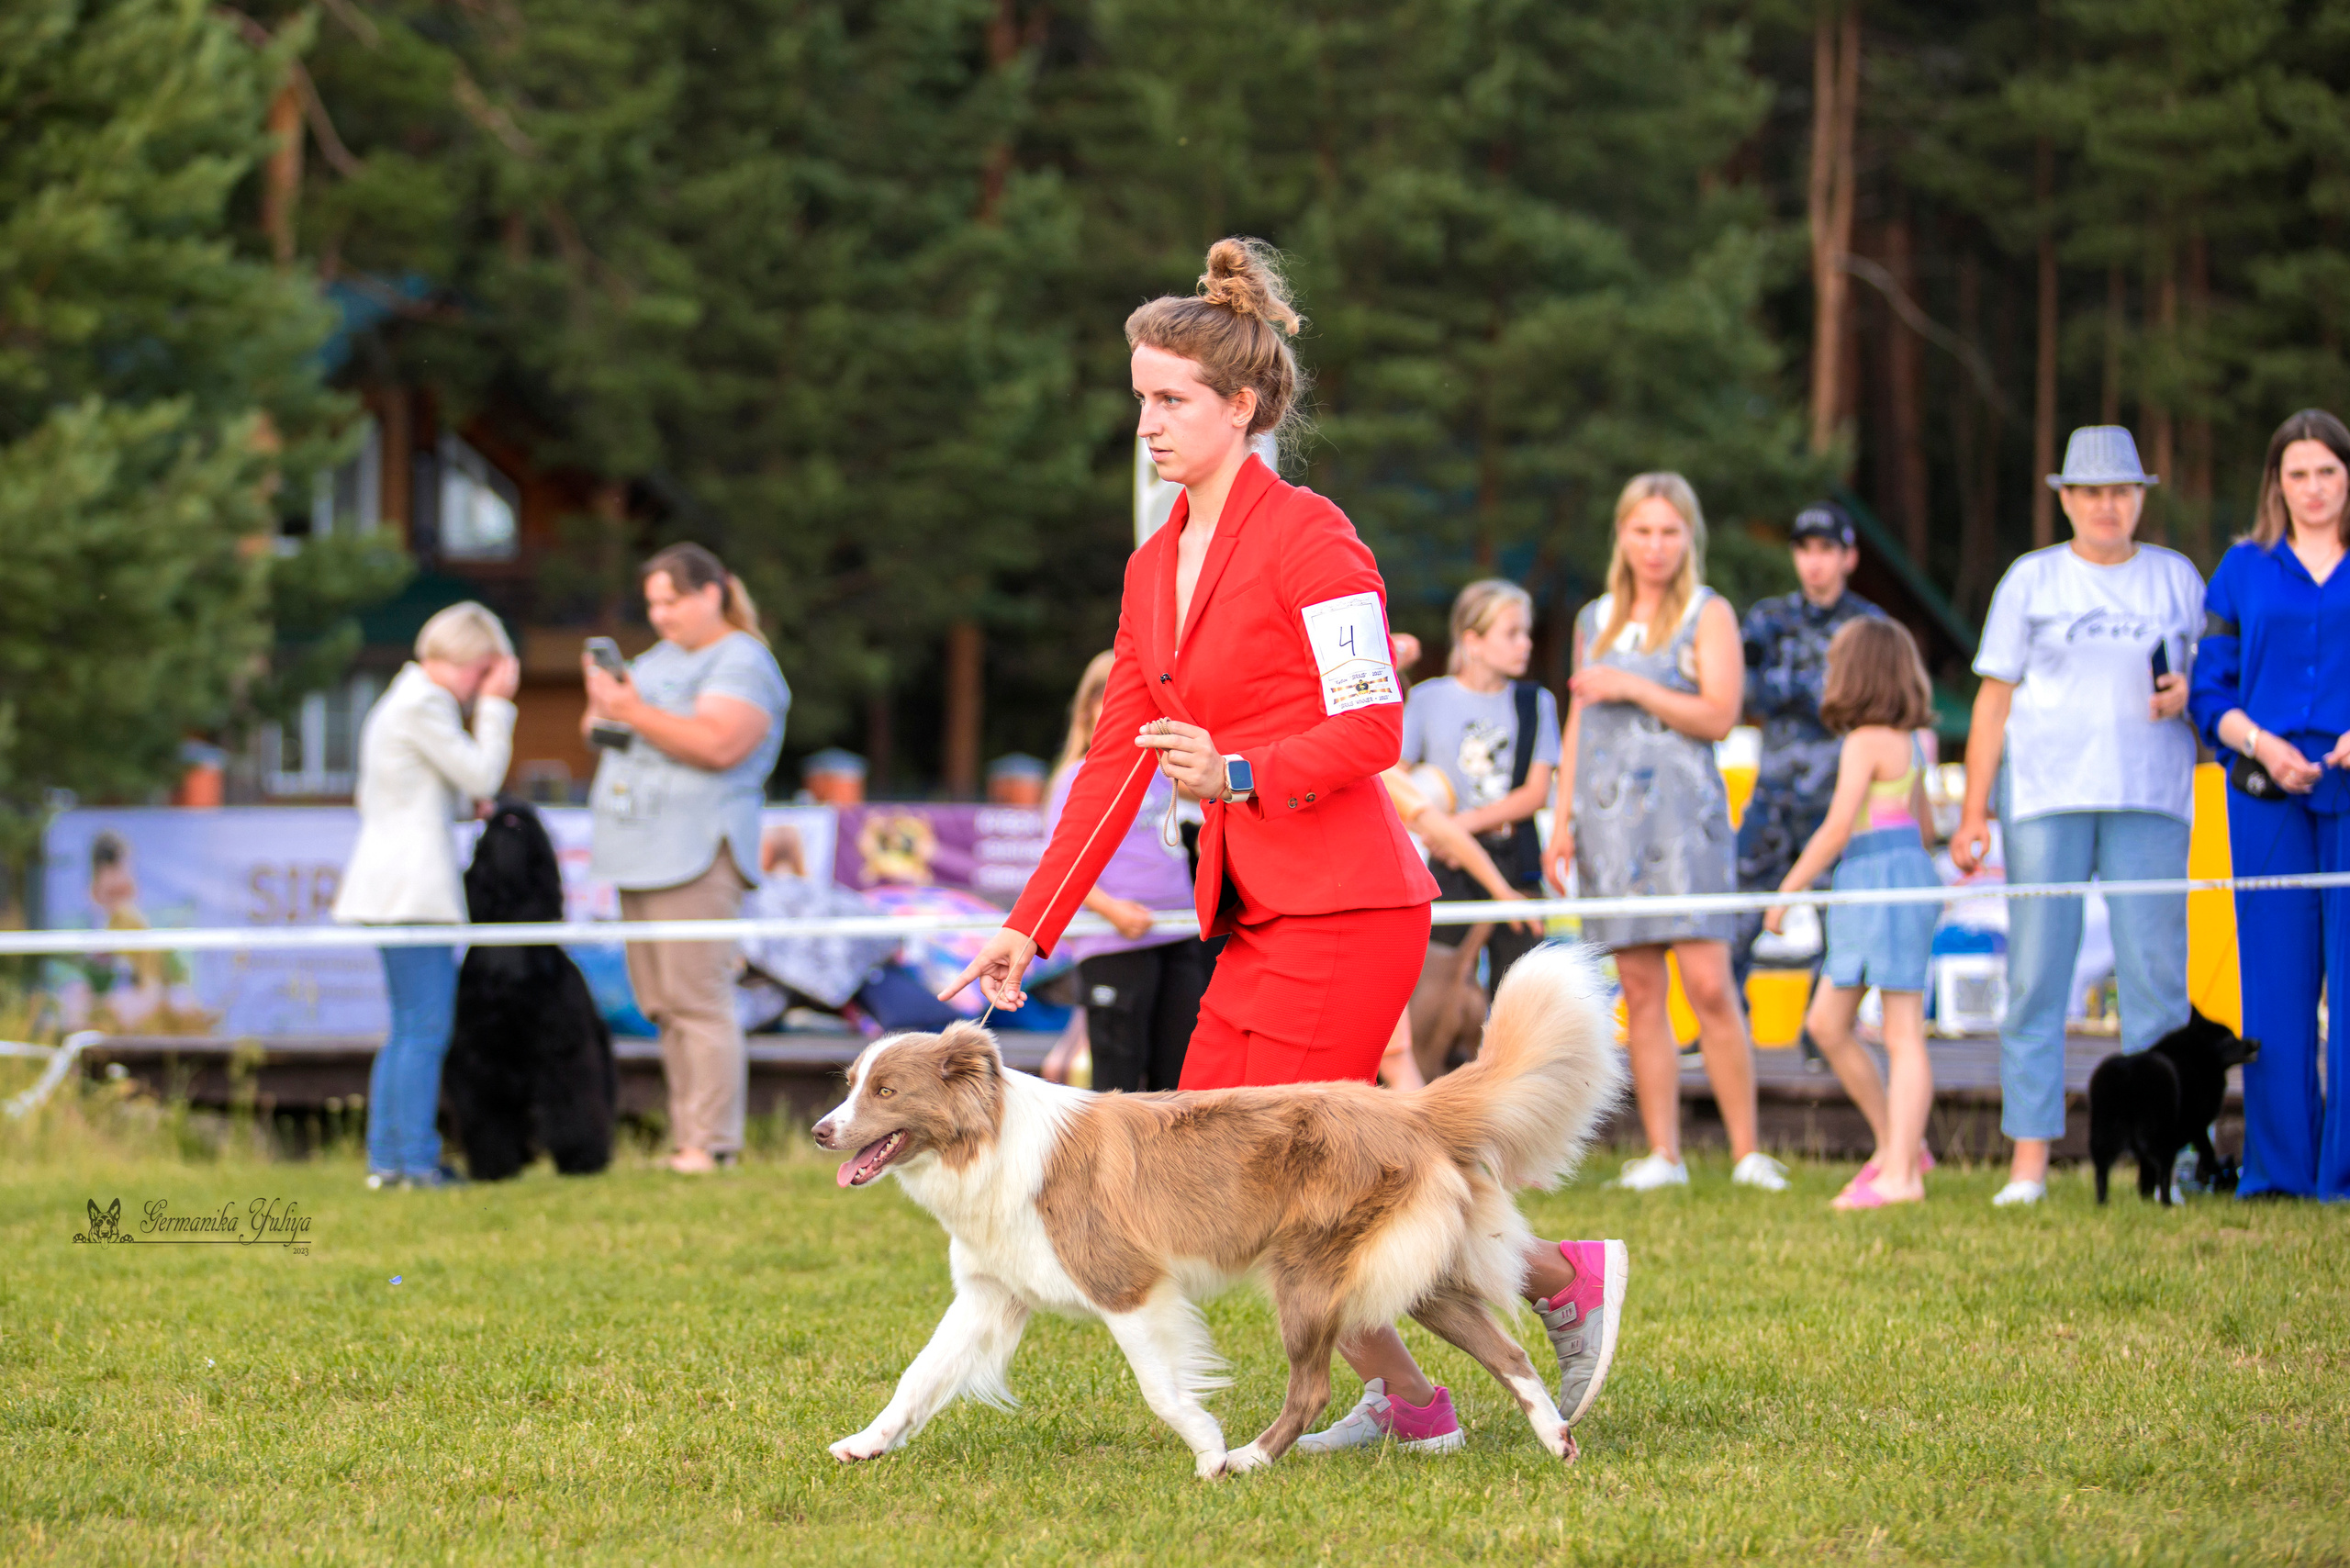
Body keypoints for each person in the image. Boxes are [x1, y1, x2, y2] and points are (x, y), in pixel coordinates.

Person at [943, 237, 1623, 1462]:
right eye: (1138, 397)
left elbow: (1372, 726)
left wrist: (1242, 770)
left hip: (1353, 906)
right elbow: (1113, 766)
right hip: (1253, 917)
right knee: (1224, 1185)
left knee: (1284, 1190)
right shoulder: (1151, 573)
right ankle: (1431, 1389)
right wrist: (1028, 928)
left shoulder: (1314, 536)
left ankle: (1543, 1297)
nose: (1145, 422)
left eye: (1170, 401)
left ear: (1240, 407)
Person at [1953, 426, 2204, 1208]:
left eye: (2123, 491)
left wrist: (2187, 694)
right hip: (2046, 797)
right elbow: (1992, 700)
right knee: (2036, 978)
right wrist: (1972, 809)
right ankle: (2029, 1159)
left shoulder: (2177, 578)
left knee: (2157, 984)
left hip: (2151, 795)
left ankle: (2164, 1165)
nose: (2108, 505)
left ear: (2140, 498)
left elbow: (2212, 678)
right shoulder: (2031, 579)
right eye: (2092, 491)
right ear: (2065, 498)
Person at [1546, 473, 1785, 1193]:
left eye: (1669, 532)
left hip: (1687, 822)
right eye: (1642, 530)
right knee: (1640, 989)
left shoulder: (1708, 614)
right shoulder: (1596, 619)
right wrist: (1562, 821)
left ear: (1689, 539)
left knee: (1710, 984)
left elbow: (1720, 715)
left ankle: (1747, 1152)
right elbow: (1580, 719)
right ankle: (1664, 1155)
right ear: (1622, 535)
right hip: (1609, 823)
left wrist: (1637, 686)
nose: (1655, 546)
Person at [584, 543, 789, 1174]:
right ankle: (688, 1140)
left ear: (713, 592)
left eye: (672, 600)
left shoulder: (742, 660)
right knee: (662, 1004)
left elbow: (719, 743)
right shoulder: (657, 660)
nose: (661, 615)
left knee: (699, 1000)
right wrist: (606, 707)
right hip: (639, 849)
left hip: (697, 851)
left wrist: (631, 710)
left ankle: (714, 1143)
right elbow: (603, 728)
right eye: (652, 604)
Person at [2188, 409, 2350, 1201]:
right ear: (2275, 484)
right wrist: (2259, 743)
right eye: (2298, 474)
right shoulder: (2242, 567)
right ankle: (2280, 1172)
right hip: (2265, 797)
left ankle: (2345, 1173)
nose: (2314, 489)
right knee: (2277, 991)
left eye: (2327, 471)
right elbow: (2206, 689)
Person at [333, 602, 520, 1190]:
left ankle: (390, 1160)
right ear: (469, 660)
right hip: (411, 891)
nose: (479, 686)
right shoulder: (424, 703)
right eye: (481, 672)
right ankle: (411, 1161)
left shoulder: (403, 699)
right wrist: (497, 707)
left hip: (393, 886)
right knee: (425, 1028)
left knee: (409, 1027)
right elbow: (483, 774)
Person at [1764, 618, 1942, 1208]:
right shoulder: (1918, 742)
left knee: (1901, 1031)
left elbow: (1839, 827)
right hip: (1894, 874)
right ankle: (1899, 1146)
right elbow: (1926, 824)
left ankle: (1902, 1177)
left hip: (1878, 880)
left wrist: (1787, 890)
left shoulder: (1864, 741)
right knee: (1827, 1024)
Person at [1047, 650, 1221, 1093]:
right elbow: (1059, 866)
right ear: (1090, 709)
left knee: (1179, 1077)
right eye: (1115, 700)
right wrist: (1113, 911)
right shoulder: (1076, 778)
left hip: (1178, 935)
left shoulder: (1162, 774)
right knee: (1118, 1082)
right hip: (1115, 941)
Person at [1734, 504, 1886, 995]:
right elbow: (1741, 691)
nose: (1814, 562)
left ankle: (1825, 1034)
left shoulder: (1869, 628)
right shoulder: (1767, 619)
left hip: (1840, 799)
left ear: (1849, 557)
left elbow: (1877, 704)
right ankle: (1721, 1026)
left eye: (1827, 549)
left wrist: (1793, 691)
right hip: (1773, 794)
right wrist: (1815, 692)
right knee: (1737, 912)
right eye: (1805, 549)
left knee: (1839, 923)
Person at [1400, 580, 1559, 1002]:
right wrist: (1439, 832)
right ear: (1473, 640)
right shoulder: (1429, 698)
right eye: (1512, 633)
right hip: (1447, 866)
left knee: (1520, 997)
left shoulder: (1535, 701)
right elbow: (1395, 781)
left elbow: (1535, 794)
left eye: (1527, 632)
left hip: (1514, 858)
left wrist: (1458, 827)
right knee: (1435, 993)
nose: (1525, 644)